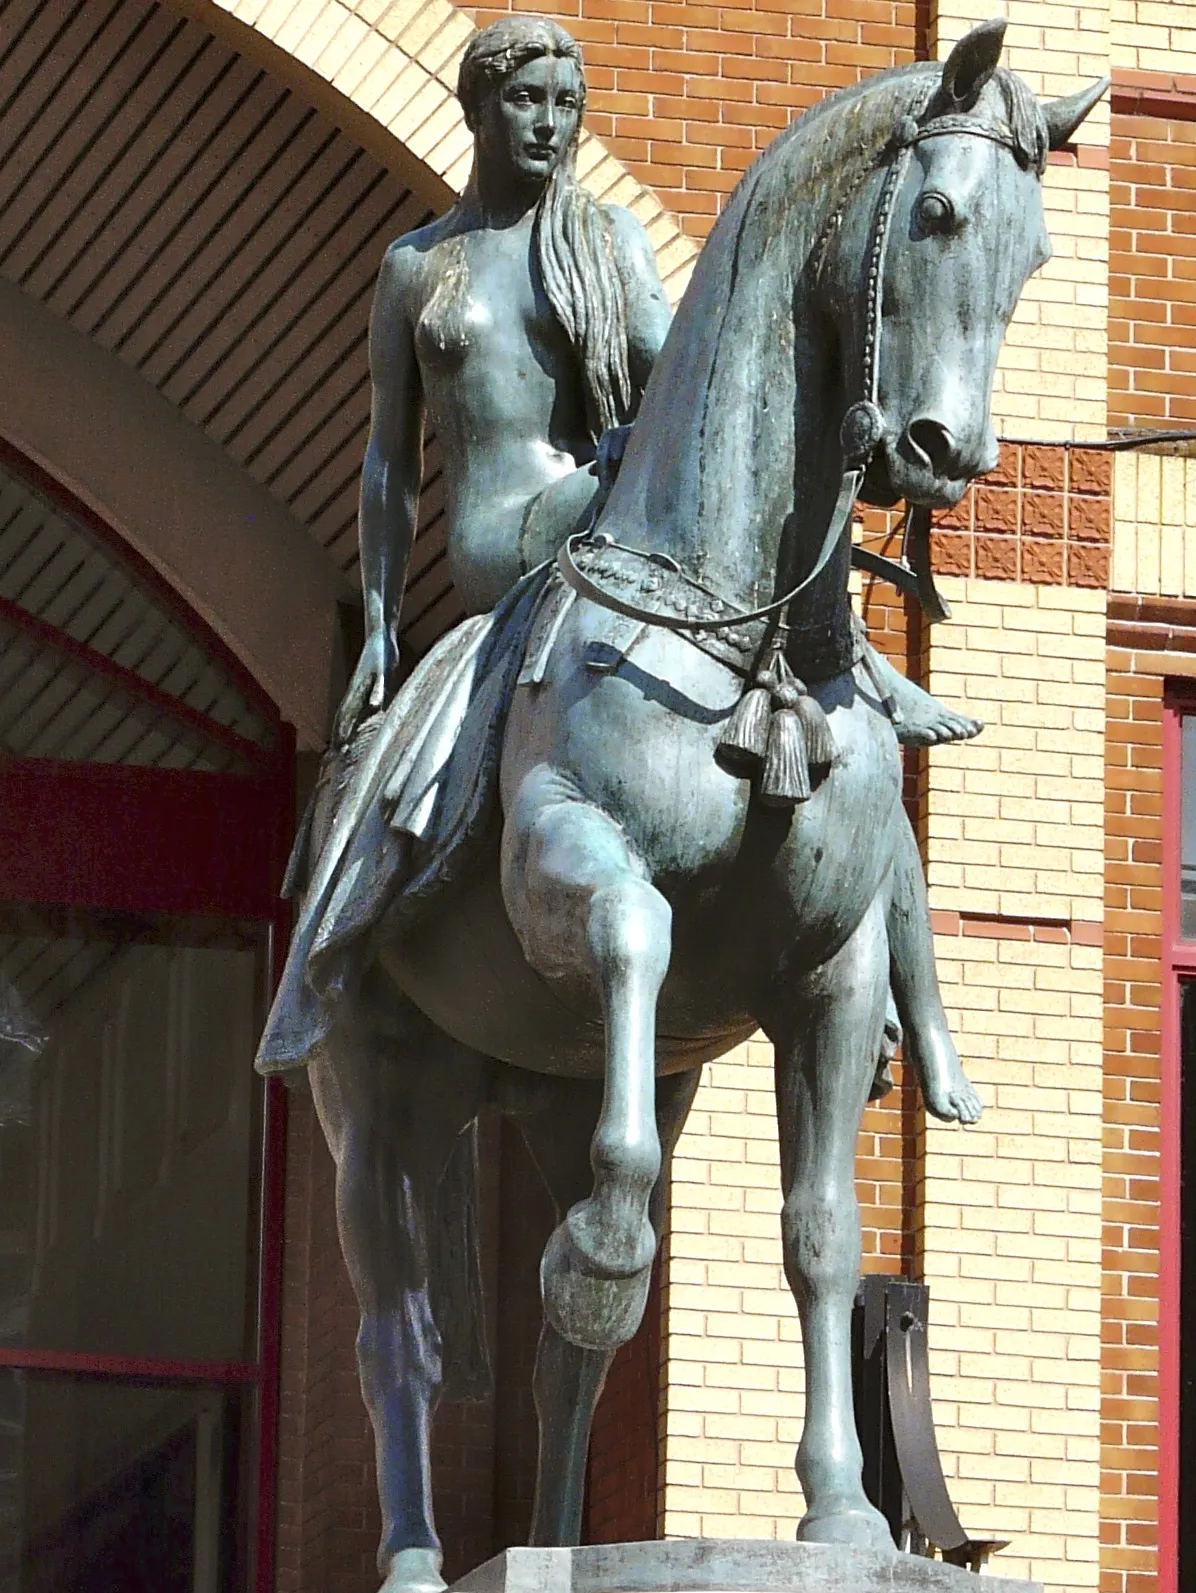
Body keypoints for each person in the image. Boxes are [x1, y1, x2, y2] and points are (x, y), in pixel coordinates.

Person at [334, 14, 977, 756]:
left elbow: (684, 388)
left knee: (745, 461)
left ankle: (839, 656)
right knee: (651, 466)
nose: (549, 125)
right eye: (525, 100)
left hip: (601, 505)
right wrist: (380, 625)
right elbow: (390, 461)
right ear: (477, 107)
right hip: (498, 538)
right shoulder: (416, 267)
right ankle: (855, 666)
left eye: (565, 105)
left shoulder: (608, 238)